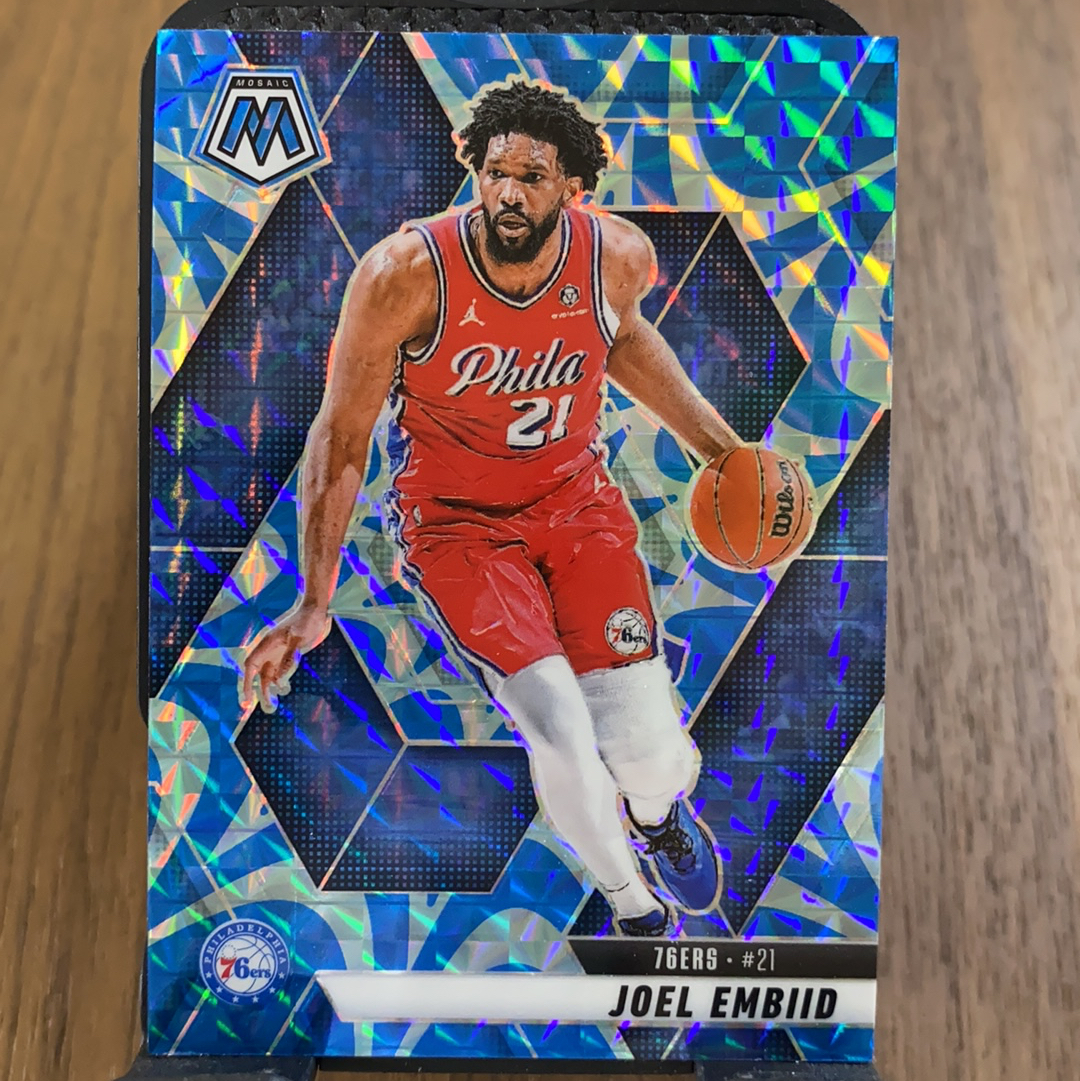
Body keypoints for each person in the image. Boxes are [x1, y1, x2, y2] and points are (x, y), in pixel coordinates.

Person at [240, 81, 741, 936]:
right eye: (495, 173)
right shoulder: (402, 277)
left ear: (571, 188)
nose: (508, 193)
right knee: (559, 726)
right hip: (459, 529)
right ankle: (633, 908)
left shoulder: (615, 256)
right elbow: (342, 437)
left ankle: (657, 818)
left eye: (531, 178)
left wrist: (724, 454)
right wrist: (314, 600)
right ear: (475, 170)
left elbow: (621, 335)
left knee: (649, 752)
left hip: (577, 509)